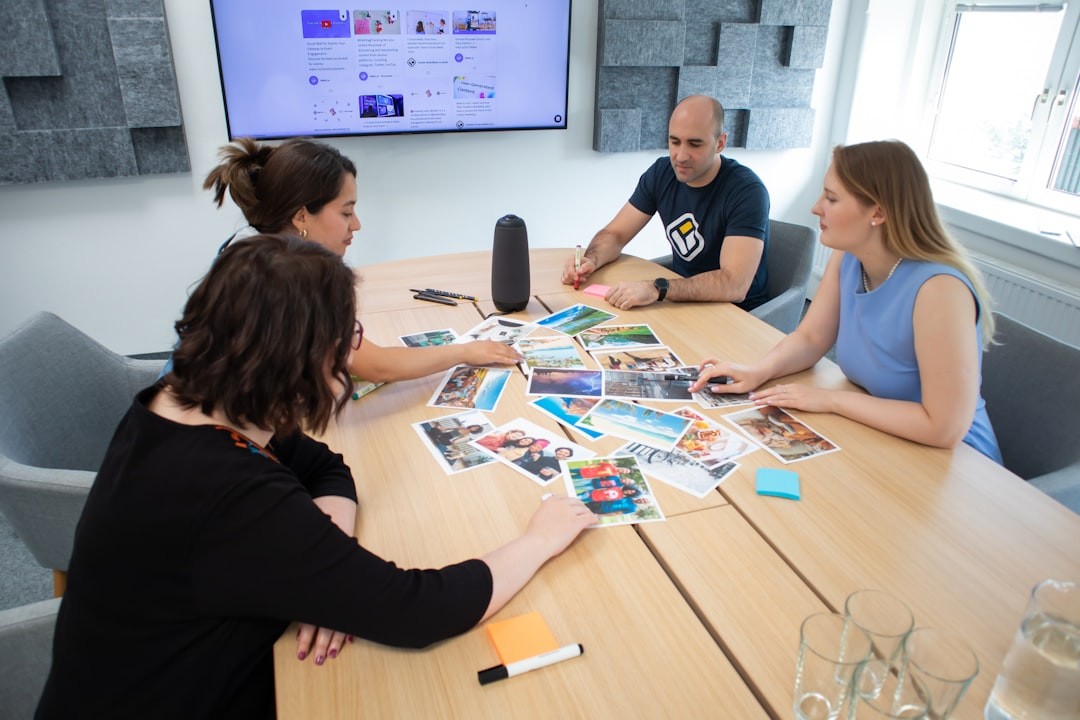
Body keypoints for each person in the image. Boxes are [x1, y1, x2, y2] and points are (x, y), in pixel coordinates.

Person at [35, 237, 594, 718]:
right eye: (347, 334)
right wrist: (539, 539)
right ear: (302, 354)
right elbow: (419, 610)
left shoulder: (185, 403)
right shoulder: (229, 492)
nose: (353, 349)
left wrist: (320, 567)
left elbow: (326, 466)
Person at [690, 140, 1002, 462]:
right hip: (883, 437)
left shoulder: (940, 289)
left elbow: (944, 429)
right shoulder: (848, 257)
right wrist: (757, 370)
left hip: (958, 463)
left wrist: (831, 400)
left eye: (832, 198)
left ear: (878, 212)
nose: (816, 207)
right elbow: (811, 338)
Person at [202, 137, 520, 383]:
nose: (356, 224)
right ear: (301, 215)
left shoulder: (246, 248)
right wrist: (465, 351)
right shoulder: (282, 279)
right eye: (345, 212)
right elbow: (376, 366)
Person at [564, 95, 770, 311]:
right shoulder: (661, 173)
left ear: (720, 143)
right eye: (674, 141)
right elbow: (616, 235)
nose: (680, 156)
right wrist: (590, 260)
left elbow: (733, 284)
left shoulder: (747, 191)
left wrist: (658, 288)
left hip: (739, 313)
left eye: (694, 144)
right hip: (683, 302)